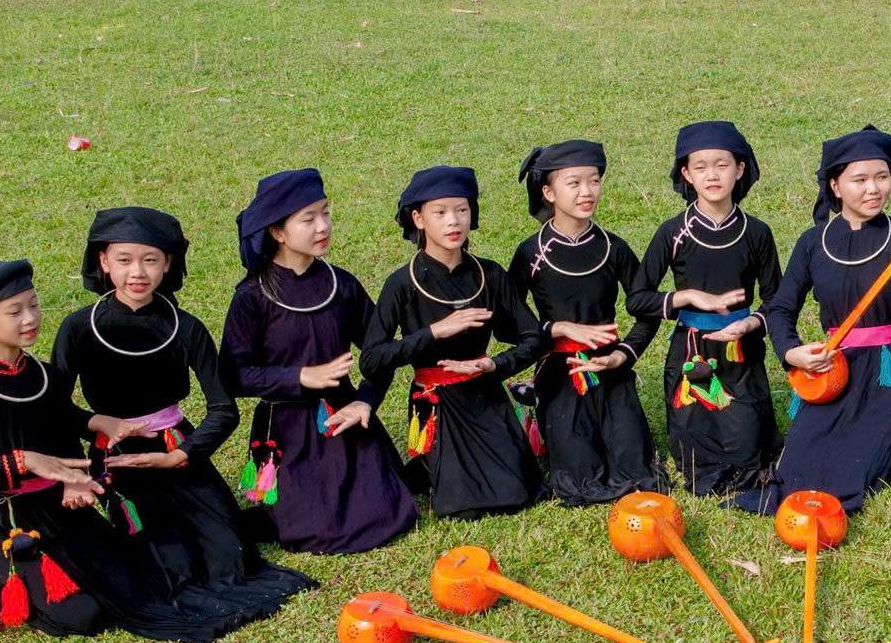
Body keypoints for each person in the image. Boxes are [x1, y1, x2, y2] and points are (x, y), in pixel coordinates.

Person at [0, 260, 281, 643]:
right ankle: (0, 583)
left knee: (146, 577)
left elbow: (60, 422)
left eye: (34, 305)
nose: (30, 318)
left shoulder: (41, 373)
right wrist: (25, 460)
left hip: (62, 508)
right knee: (84, 616)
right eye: (15, 312)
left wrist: (91, 440)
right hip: (10, 519)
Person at [51, 207, 314, 615]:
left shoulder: (185, 327)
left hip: (176, 448)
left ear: (167, 263)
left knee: (228, 554)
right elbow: (54, 409)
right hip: (118, 458)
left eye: (150, 260)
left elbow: (224, 409)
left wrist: (180, 455)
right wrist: (92, 440)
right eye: (124, 260)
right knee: (168, 564)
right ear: (103, 261)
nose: (137, 272)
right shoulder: (78, 328)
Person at [737, 125, 891, 515]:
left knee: (860, 469)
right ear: (835, 186)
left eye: (882, 177)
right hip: (834, 370)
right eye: (860, 180)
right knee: (797, 466)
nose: (874, 189)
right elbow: (781, 308)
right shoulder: (813, 243)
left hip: (890, 370)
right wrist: (792, 353)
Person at [219, 168, 418, 554]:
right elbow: (233, 375)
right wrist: (301, 377)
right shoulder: (252, 296)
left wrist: (366, 401)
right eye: (308, 219)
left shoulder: (342, 285)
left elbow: (380, 353)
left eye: (325, 213)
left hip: (343, 419)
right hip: (286, 426)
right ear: (278, 232)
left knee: (387, 515)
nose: (323, 226)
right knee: (309, 530)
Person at [362, 165, 544, 519]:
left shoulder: (489, 274)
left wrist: (493, 365)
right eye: (440, 212)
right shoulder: (401, 284)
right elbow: (372, 359)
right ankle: (430, 467)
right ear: (418, 219)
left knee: (519, 492)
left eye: (461, 209)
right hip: (435, 403)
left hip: (484, 394)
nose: (453, 221)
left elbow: (532, 338)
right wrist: (433, 332)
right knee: (463, 506)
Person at [627, 121, 783, 496]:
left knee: (748, 453)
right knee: (697, 460)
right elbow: (637, 298)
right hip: (691, 354)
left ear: (740, 169)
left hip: (740, 352)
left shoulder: (756, 233)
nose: (712, 175)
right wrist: (686, 298)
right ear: (686, 174)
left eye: (722, 164)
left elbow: (777, 301)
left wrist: (750, 324)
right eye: (700, 166)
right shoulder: (672, 233)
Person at [509, 140, 665, 505]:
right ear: (548, 192)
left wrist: (622, 355)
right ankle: (540, 409)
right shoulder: (531, 253)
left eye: (594, 181)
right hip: (559, 371)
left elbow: (648, 309)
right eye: (574, 183)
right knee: (579, 474)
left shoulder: (614, 248)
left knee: (635, 467)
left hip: (609, 367)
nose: (587, 192)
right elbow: (508, 319)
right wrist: (556, 329)